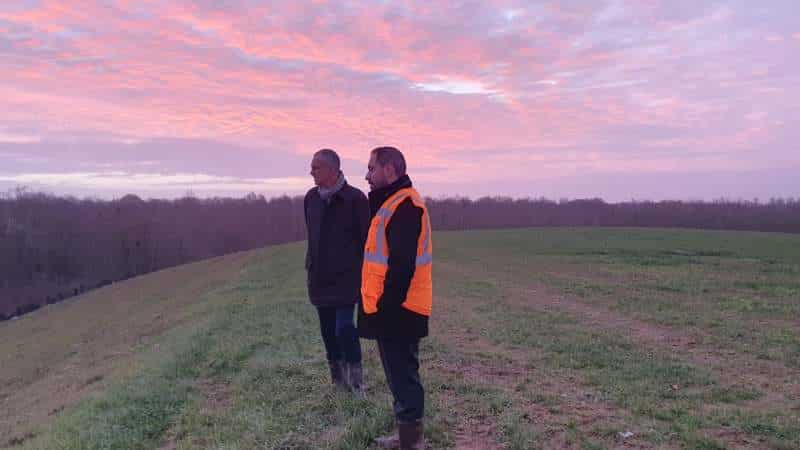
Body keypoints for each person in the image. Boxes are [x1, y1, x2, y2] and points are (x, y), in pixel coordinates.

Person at [359, 146, 432, 450]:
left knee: (404, 376)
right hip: (391, 308)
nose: (367, 176)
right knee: (398, 375)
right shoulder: (390, 203)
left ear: (390, 170)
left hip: (400, 309)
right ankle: (405, 437)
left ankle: (412, 443)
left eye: (371, 168)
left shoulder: (405, 206)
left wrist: (386, 310)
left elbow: (401, 267)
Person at [304, 148, 369, 394]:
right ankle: (338, 379)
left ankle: (356, 379)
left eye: (316, 167)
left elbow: (365, 240)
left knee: (344, 328)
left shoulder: (355, 199)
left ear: (332, 170)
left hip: (346, 279)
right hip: (319, 278)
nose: (311, 172)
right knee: (327, 332)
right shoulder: (310, 199)